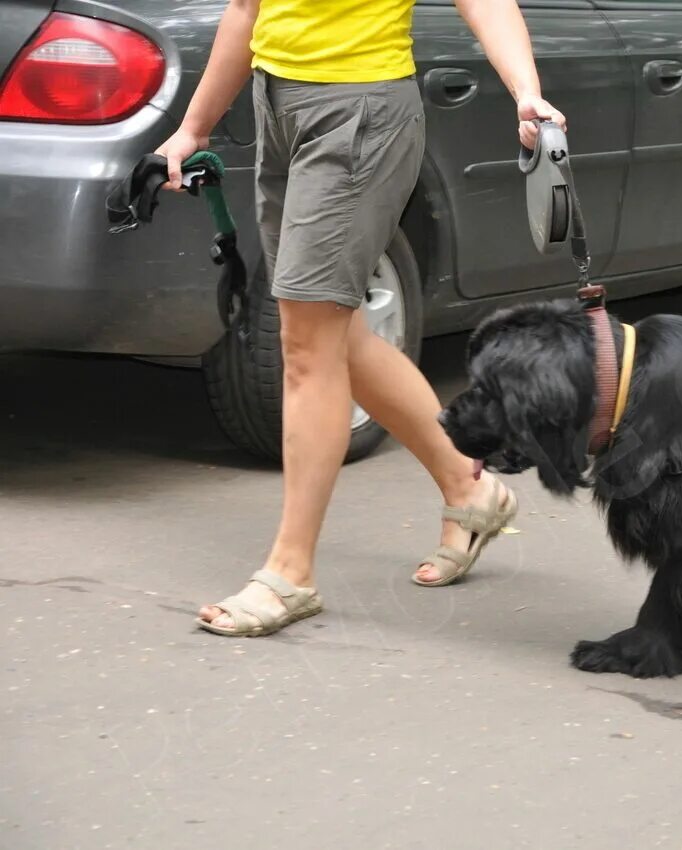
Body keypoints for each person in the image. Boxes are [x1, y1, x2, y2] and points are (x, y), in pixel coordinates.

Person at [156, 0, 565, 637]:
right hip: (277, 101)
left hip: (359, 113)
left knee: (306, 343)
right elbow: (246, 7)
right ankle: (468, 485)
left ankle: (290, 574)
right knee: (330, 330)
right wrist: (195, 127)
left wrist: (526, 91)